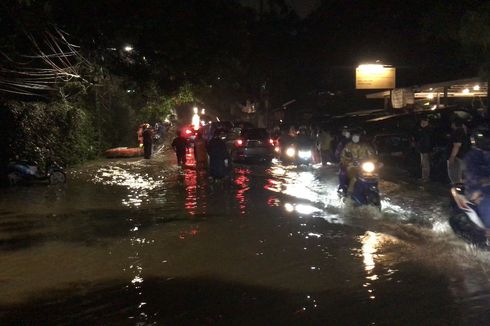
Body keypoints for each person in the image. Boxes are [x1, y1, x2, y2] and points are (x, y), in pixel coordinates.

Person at [464, 125, 490, 235]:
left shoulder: (487, 154)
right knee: (487, 202)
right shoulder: (472, 156)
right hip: (477, 189)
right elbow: (472, 175)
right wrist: (484, 181)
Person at [340, 130, 377, 194]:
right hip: (352, 166)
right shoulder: (348, 146)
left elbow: (373, 156)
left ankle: (374, 190)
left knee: (374, 176)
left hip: (364, 167)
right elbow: (343, 156)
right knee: (343, 173)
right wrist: (348, 162)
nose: (355, 138)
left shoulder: (366, 146)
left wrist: (375, 162)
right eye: (354, 136)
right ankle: (345, 190)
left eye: (357, 136)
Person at [447, 119, 471, 185]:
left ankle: (456, 188)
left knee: (455, 174)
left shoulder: (457, 132)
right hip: (463, 155)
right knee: (461, 174)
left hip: (457, 157)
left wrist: (452, 157)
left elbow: (457, 145)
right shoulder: (465, 132)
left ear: (454, 124)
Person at [416, 118, 433, 182]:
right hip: (423, 149)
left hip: (425, 149)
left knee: (425, 164)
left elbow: (426, 141)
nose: (422, 123)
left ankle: (425, 178)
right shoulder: (423, 130)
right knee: (424, 164)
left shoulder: (427, 130)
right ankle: (424, 177)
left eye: (423, 122)